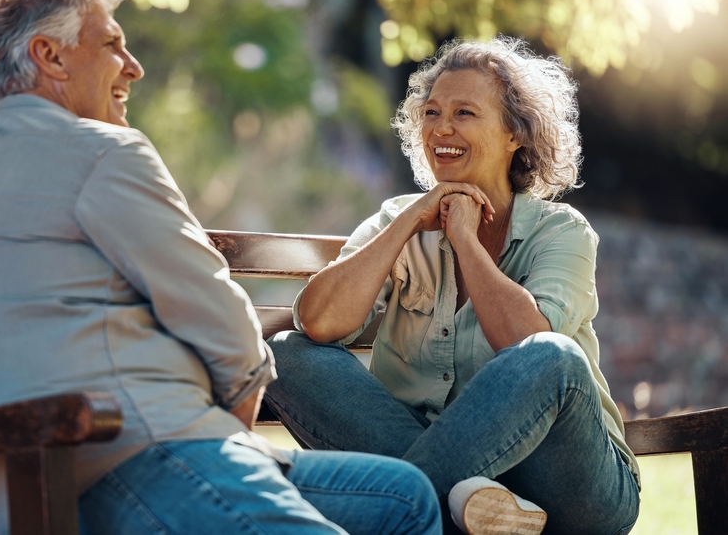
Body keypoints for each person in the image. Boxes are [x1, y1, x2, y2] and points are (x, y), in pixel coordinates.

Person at [0, 0, 441, 535]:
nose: (133, 67)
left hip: (41, 481)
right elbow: (219, 316)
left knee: (404, 496)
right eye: (113, 43)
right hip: (139, 455)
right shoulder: (103, 152)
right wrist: (229, 423)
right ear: (50, 55)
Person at [263, 37, 641, 535]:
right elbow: (318, 321)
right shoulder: (398, 219)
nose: (441, 128)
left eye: (464, 112)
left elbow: (524, 339)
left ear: (515, 135)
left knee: (553, 356)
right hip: (439, 460)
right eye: (432, 112)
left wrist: (465, 238)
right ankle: (468, 510)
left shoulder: (561, 231)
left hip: (573, 486)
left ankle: (402, 510)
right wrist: (409, 223)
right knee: (291, 353)